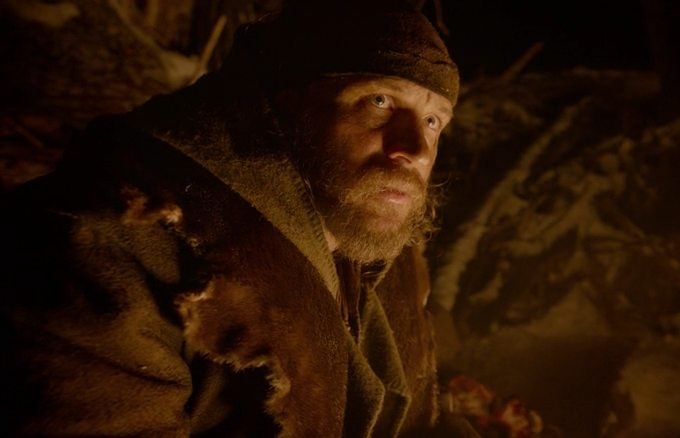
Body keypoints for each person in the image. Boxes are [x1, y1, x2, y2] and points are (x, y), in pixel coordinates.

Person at [0, 1, 475, 436]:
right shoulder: (106, 241)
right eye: (380, 101)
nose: (415, 150)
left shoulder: (375, 255)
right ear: (283, 106)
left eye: (433, 120)